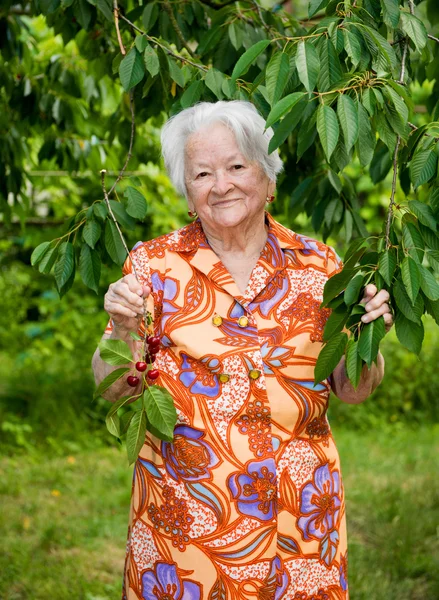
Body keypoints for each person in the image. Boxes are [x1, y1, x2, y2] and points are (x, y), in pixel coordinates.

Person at [92, 101, 392, 600]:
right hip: (185, 531)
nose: (221, 184)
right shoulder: (152, 266)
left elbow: (354, 390)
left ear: (268, 176)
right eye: (202, 173)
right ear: (188, 193)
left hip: (299, 525)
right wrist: (121, 331)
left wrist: (367, 336)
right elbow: (114, 390)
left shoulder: (320, 267)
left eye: (236, 166)